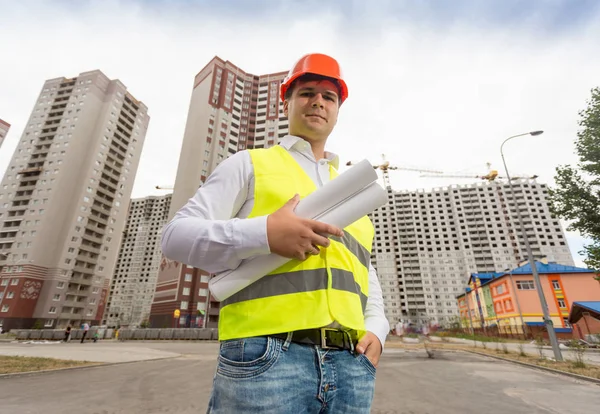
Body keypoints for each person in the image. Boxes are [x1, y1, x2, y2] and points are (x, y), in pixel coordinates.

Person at [162, 53, 389, 413]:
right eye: (307, 92)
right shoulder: (251, 164)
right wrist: (265, 234)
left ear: (338, 110)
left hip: (351, 364)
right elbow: (175, 236)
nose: (318, 101)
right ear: (286, 103)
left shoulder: (352, 190)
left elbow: (364, 272)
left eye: (329, 97)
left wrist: (378, 326)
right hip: (266, 358)